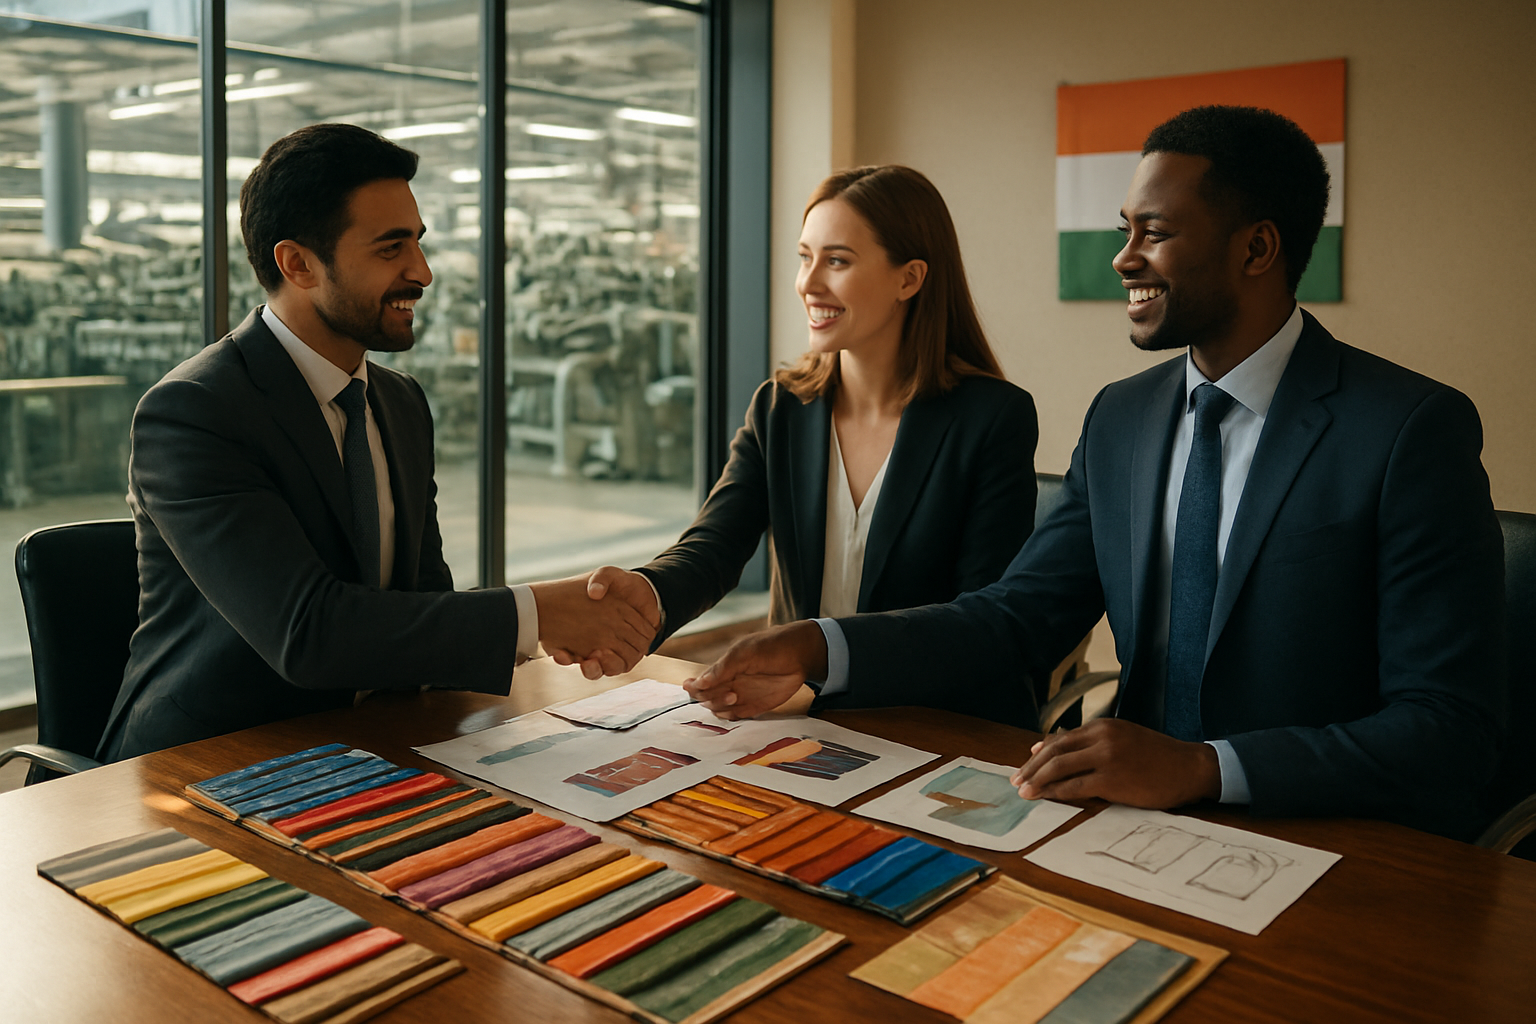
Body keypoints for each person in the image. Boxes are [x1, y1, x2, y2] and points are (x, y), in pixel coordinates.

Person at [684, 107, 1506, 840]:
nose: (1123, 259)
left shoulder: (1407, 429)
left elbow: (1446, 727)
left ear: (1257, 246)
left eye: (1155, 232)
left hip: (1332, 842)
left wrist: (1205, 767)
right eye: (1125, 229)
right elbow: (1016, 617)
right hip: (1127, 828)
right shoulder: (1124, 417)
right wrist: (822, 645)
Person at [99, 123, 657, 761]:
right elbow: (306, 631)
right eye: (391, 249)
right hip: (210, 761)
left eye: (418, 244)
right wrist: (537, 613)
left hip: (367, 744)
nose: (421, 272)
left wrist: (553, 629)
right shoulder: (194, 413)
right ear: (298, 264)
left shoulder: (399, 403)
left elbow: (421, 603)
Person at [558, 165, 1039, 724]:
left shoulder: (992, 418)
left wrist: (819, 646)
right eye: (804, 257)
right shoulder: (782, 407)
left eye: (837, 260)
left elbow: (980, 622)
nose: (809, 283)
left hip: (939, 723)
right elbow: (715, 545)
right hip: (805, 717)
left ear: (909, 279)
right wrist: (650, 592)